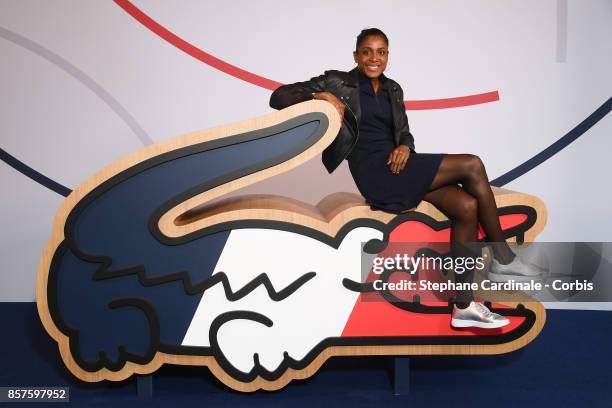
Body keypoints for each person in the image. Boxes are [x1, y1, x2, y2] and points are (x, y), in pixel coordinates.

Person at [269, 28, 543, 329]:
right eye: (367, 51)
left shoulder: (394, 89)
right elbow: (279, 96)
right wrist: (317, 95)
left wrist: (404, 147)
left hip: (400, 166)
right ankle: (503, 259)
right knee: (472, 164)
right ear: (356, 55)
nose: (374, 58)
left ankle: (464, 306)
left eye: (381, 52)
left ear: (388, 56)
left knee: (465, 207)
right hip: (374, 173)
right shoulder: (338, 82)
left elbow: (405, 135)